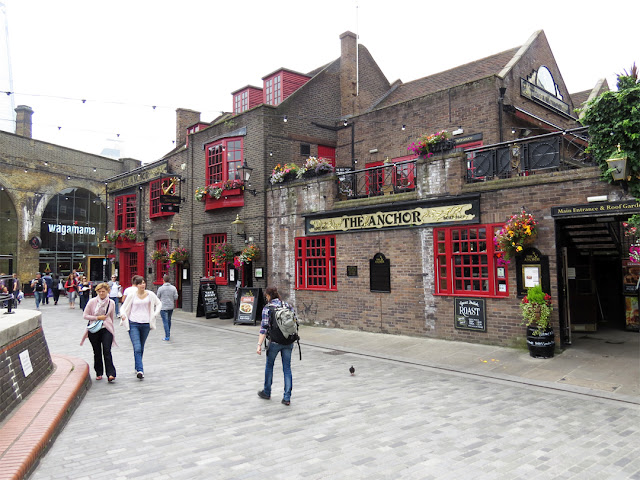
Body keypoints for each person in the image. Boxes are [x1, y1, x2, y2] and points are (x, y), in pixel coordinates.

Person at [256, 286, 296, 406]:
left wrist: (259, 345)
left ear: (268, 296)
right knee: (287, 369)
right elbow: (293, 321)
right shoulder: (287, 305)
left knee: (269, 366)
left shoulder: (267, 308)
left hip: (274, 342)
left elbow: (264, 328)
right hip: (288, 341)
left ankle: (267, 392)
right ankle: (287, 397)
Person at [119, 275, 162, 380]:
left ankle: (137, 366)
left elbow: (159, 303)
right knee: (137, 347)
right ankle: (140, 370)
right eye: (140, 283)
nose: (142, 285)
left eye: (143, 283)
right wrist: (123, 315)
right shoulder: (132, 295)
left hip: (146, 324)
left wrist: (155, 313)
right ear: (136, 285)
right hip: (133, 323)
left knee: (141, 347)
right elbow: (123, 308)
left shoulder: (150, 294)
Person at [81, 282, 117, 382]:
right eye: (99, 291)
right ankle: (99, 372)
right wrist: (97, 317)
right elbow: (85, 315)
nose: (101, 293)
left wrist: (111, 327)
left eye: (103, 292)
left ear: (107, 292)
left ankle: (110, 373)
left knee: (107, 350)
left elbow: (111, 317)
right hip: (94, 329)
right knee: (97, 351)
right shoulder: (92, 302)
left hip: (106, 328)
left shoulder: (111, 303)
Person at [156, 274, 179, 341]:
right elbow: (176, 297)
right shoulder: (173, 288)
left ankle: (167, 336)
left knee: (165, 321)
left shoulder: (160, 288)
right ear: (169, 280)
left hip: (163, 307)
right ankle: (168, 333)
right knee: (169, 320)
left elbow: (157, 297)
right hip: (171, 306)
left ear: (163, 280)